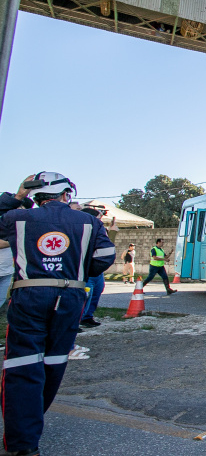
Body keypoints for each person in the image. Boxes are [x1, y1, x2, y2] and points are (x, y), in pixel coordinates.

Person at [0, 172, 116, 456]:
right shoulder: (89, 221)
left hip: (30, 294)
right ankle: (29, 421)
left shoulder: (17, 217)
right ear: (66, 194)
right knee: (54, 361)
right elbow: (105, 256)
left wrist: (16, 197)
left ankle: (23, 442)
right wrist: (77, 271)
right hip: (70, 295)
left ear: (36, 195)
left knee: (22, 364)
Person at [78, 209, 116, 328]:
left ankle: (87, 317)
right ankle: (76, 320)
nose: (101, 221)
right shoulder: (82, 230)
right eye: (99, 218)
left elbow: (107, 246)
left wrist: (112, 233)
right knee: (85, 296)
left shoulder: (100, 230)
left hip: (97, 270)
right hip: (87, 269)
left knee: (96, 292)